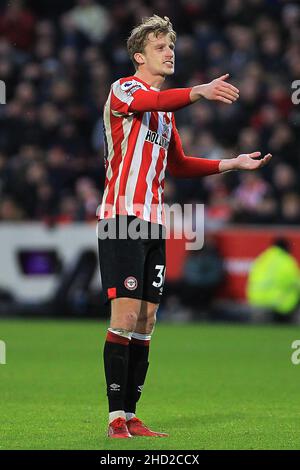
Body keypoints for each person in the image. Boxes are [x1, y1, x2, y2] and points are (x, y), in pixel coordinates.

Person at [98, 15, 272, 439]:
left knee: (146, 321)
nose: (169, 52)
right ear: (140, 56)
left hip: (155, 222)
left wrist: (232, 163)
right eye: (160, 46)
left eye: (171, 46)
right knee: (124, 316)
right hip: (122, 218)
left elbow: (179, 164)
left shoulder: (165, 115)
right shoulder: (125, 90)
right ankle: (114, 418)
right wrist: (199, 91)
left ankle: (133, 414)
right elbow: (152, 102)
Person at [247, 238, 300, 322]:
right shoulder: (286, 261)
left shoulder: (262, 258)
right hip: (277, 302)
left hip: (256, 300)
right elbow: (296, 283)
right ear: (287, 248)